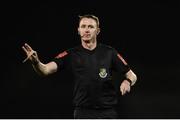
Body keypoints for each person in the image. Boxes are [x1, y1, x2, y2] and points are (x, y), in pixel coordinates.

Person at [22, 14, 137, 119]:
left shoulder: (110, 52)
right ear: (78, 30)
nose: (86, 30)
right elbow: (45, 70)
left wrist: (127, 81)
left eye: (91, 27)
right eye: (83, 26)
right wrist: (36, 62)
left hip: (107, 113)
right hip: (83, 113)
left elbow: (132, 75)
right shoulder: (71, 54)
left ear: (98, 31)